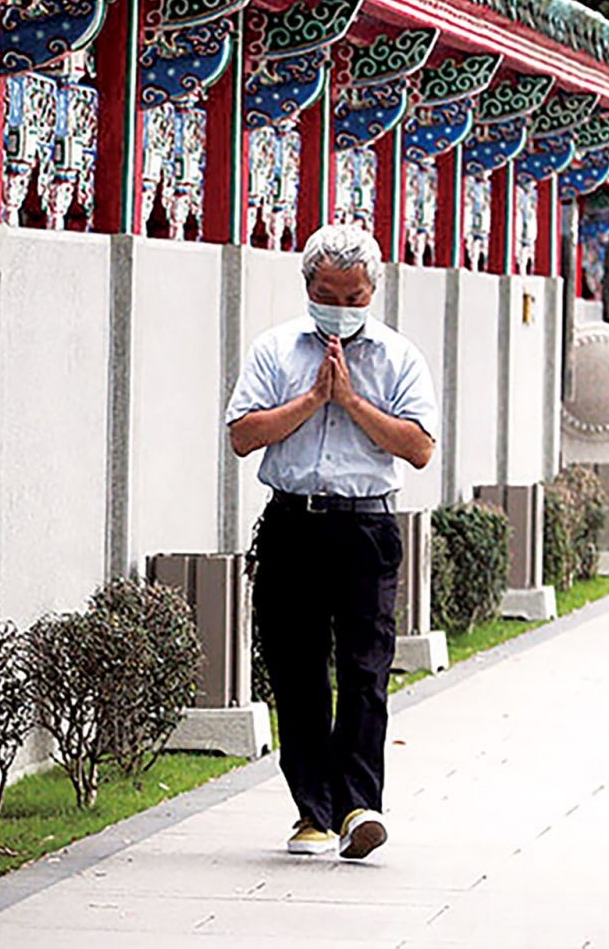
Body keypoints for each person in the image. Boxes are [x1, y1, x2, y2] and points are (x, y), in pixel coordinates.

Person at [224, 224, 438, 861]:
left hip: (366, 526)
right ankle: (312, 812)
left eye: (353, 294)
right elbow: (242, 434)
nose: (340, 305)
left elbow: (420, 447)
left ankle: (359, 807)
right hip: (293, 522)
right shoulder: (276, 349)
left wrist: (351, 402)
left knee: (366, 670)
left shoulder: (398, 357)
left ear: (374, 288)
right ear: (307, 286)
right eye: (328, 292)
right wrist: (314, 398)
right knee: (297, 670)